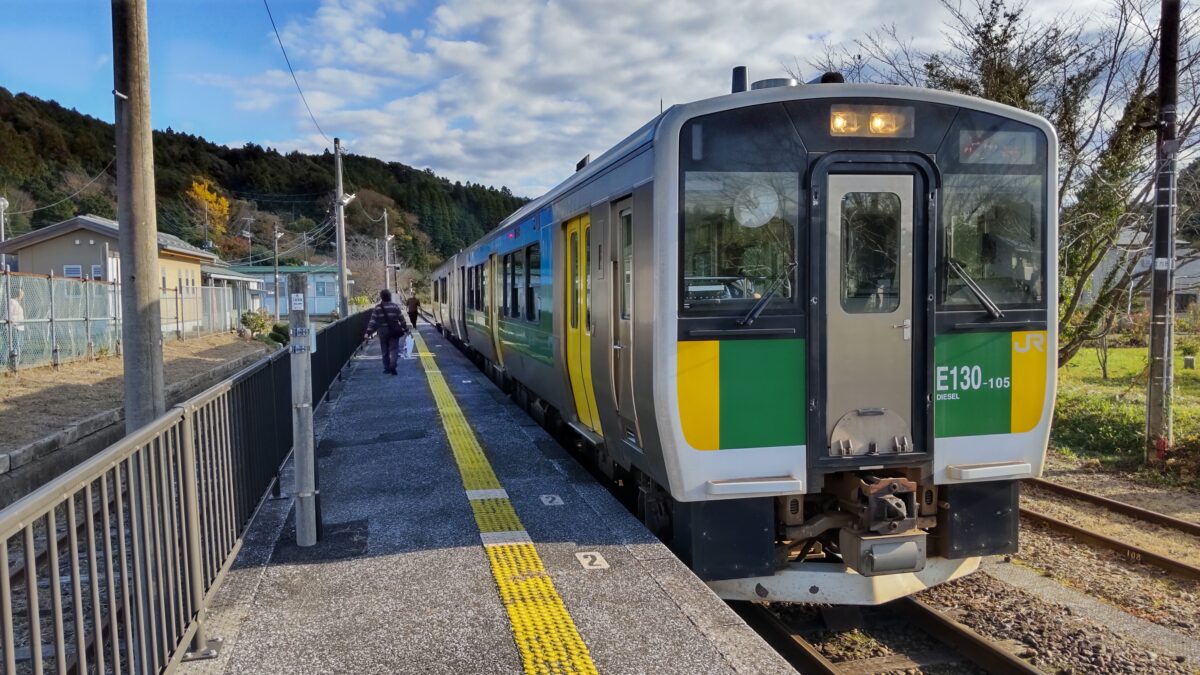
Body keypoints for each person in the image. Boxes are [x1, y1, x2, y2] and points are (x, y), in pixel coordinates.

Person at [363, 289, 408, 375]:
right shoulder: (395, 306)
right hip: (394, 329)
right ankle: (393, 365)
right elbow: (401, 319)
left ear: (381, 297)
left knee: (384, 350)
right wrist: (406, 329)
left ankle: (387, 368)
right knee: (394, 349)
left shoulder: (378, 307)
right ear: (389, 297)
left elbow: (372, 321)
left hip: (382, 331)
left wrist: (368, 332)